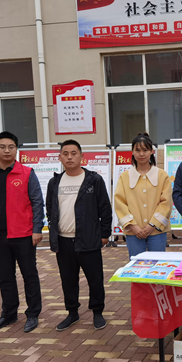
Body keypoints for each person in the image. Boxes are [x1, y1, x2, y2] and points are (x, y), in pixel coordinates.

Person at [0, 131, 43, 333]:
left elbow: (37, 202)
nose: (7, 150)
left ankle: (32, 314)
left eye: (11, 147)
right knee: (5, 277)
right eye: (2, 147)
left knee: (29, 275)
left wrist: (37, 229)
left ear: (16, 149)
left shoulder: (27, 173)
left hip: (23, 234)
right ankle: (9, 314)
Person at [46, 140, 112, 331]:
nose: (69, 157)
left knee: (95, 279)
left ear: (82, 157)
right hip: (63, 241)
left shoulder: (93, 180)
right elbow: (50, 209)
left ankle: (97, 312)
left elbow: (105, 209)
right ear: (60, 157)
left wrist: (105, 234)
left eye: (74, 153)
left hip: (89, 239)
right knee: (68, 279)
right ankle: (72, 313)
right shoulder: (54, 182)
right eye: (65, 153)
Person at [114, 133, 172, 259]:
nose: (141, 154)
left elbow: (166, 202)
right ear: (132, 152)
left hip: (157, 231)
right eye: (138, 150)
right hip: (133, 232)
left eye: (145, 150)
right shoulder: (125, 177)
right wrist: (133, 226)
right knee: (136, 266)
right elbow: (120, 203)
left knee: (157, 265)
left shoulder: (162, 175)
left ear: (151, 151)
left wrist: (152, 225)